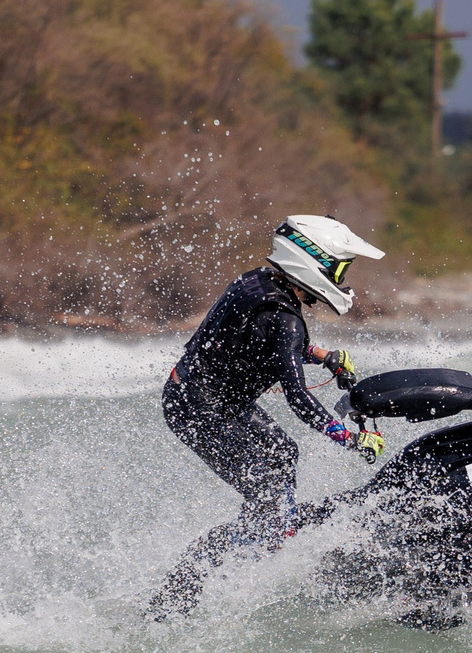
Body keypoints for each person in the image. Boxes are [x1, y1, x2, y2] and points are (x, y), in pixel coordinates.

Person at [149, 215, 388, 616]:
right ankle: (190, 584)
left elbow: (271, 341)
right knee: (269, 504)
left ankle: (260, 549)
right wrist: (350, 439)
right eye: (340, 268)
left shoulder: (257, 282)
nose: (343, 278)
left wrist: (324, 357)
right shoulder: (286, 319)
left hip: (196, 399)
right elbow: (296, 395)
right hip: (201, 412)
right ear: (314, 260)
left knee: (283, 455)